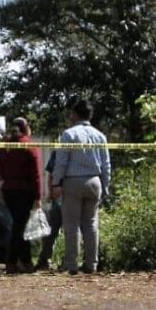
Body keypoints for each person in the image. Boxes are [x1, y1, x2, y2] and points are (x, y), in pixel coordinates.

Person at [50, 99, 111, 275]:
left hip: (73, 182)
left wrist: (56, 182)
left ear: (75, 115)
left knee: (72, 225)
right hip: (94, 181)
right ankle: (91, 263)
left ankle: (71, 264)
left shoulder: (68, 134)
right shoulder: (100, 136)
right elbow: (106, 164)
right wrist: (105, 186)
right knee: (91, 224)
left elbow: (61, 162)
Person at [0, 117, 42, 274]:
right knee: (19, 227)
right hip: (24, 191)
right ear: (26, 128)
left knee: (19, 225)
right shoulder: (29, 145)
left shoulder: (5, 146)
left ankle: (26, 262)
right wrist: (38, 196)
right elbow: (36, 174)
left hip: (8, 190)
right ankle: (12, 262)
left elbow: (2, 171)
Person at [35, 147, 64, 271]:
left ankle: (45, 260)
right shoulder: (80, 150)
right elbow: (50, 174)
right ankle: (46, 259)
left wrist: (50, 192)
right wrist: (50, 193)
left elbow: (50, 174)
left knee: (53, 229)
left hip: (61, 194)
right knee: (56, 228)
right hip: (62, 195)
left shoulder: (59, 151)